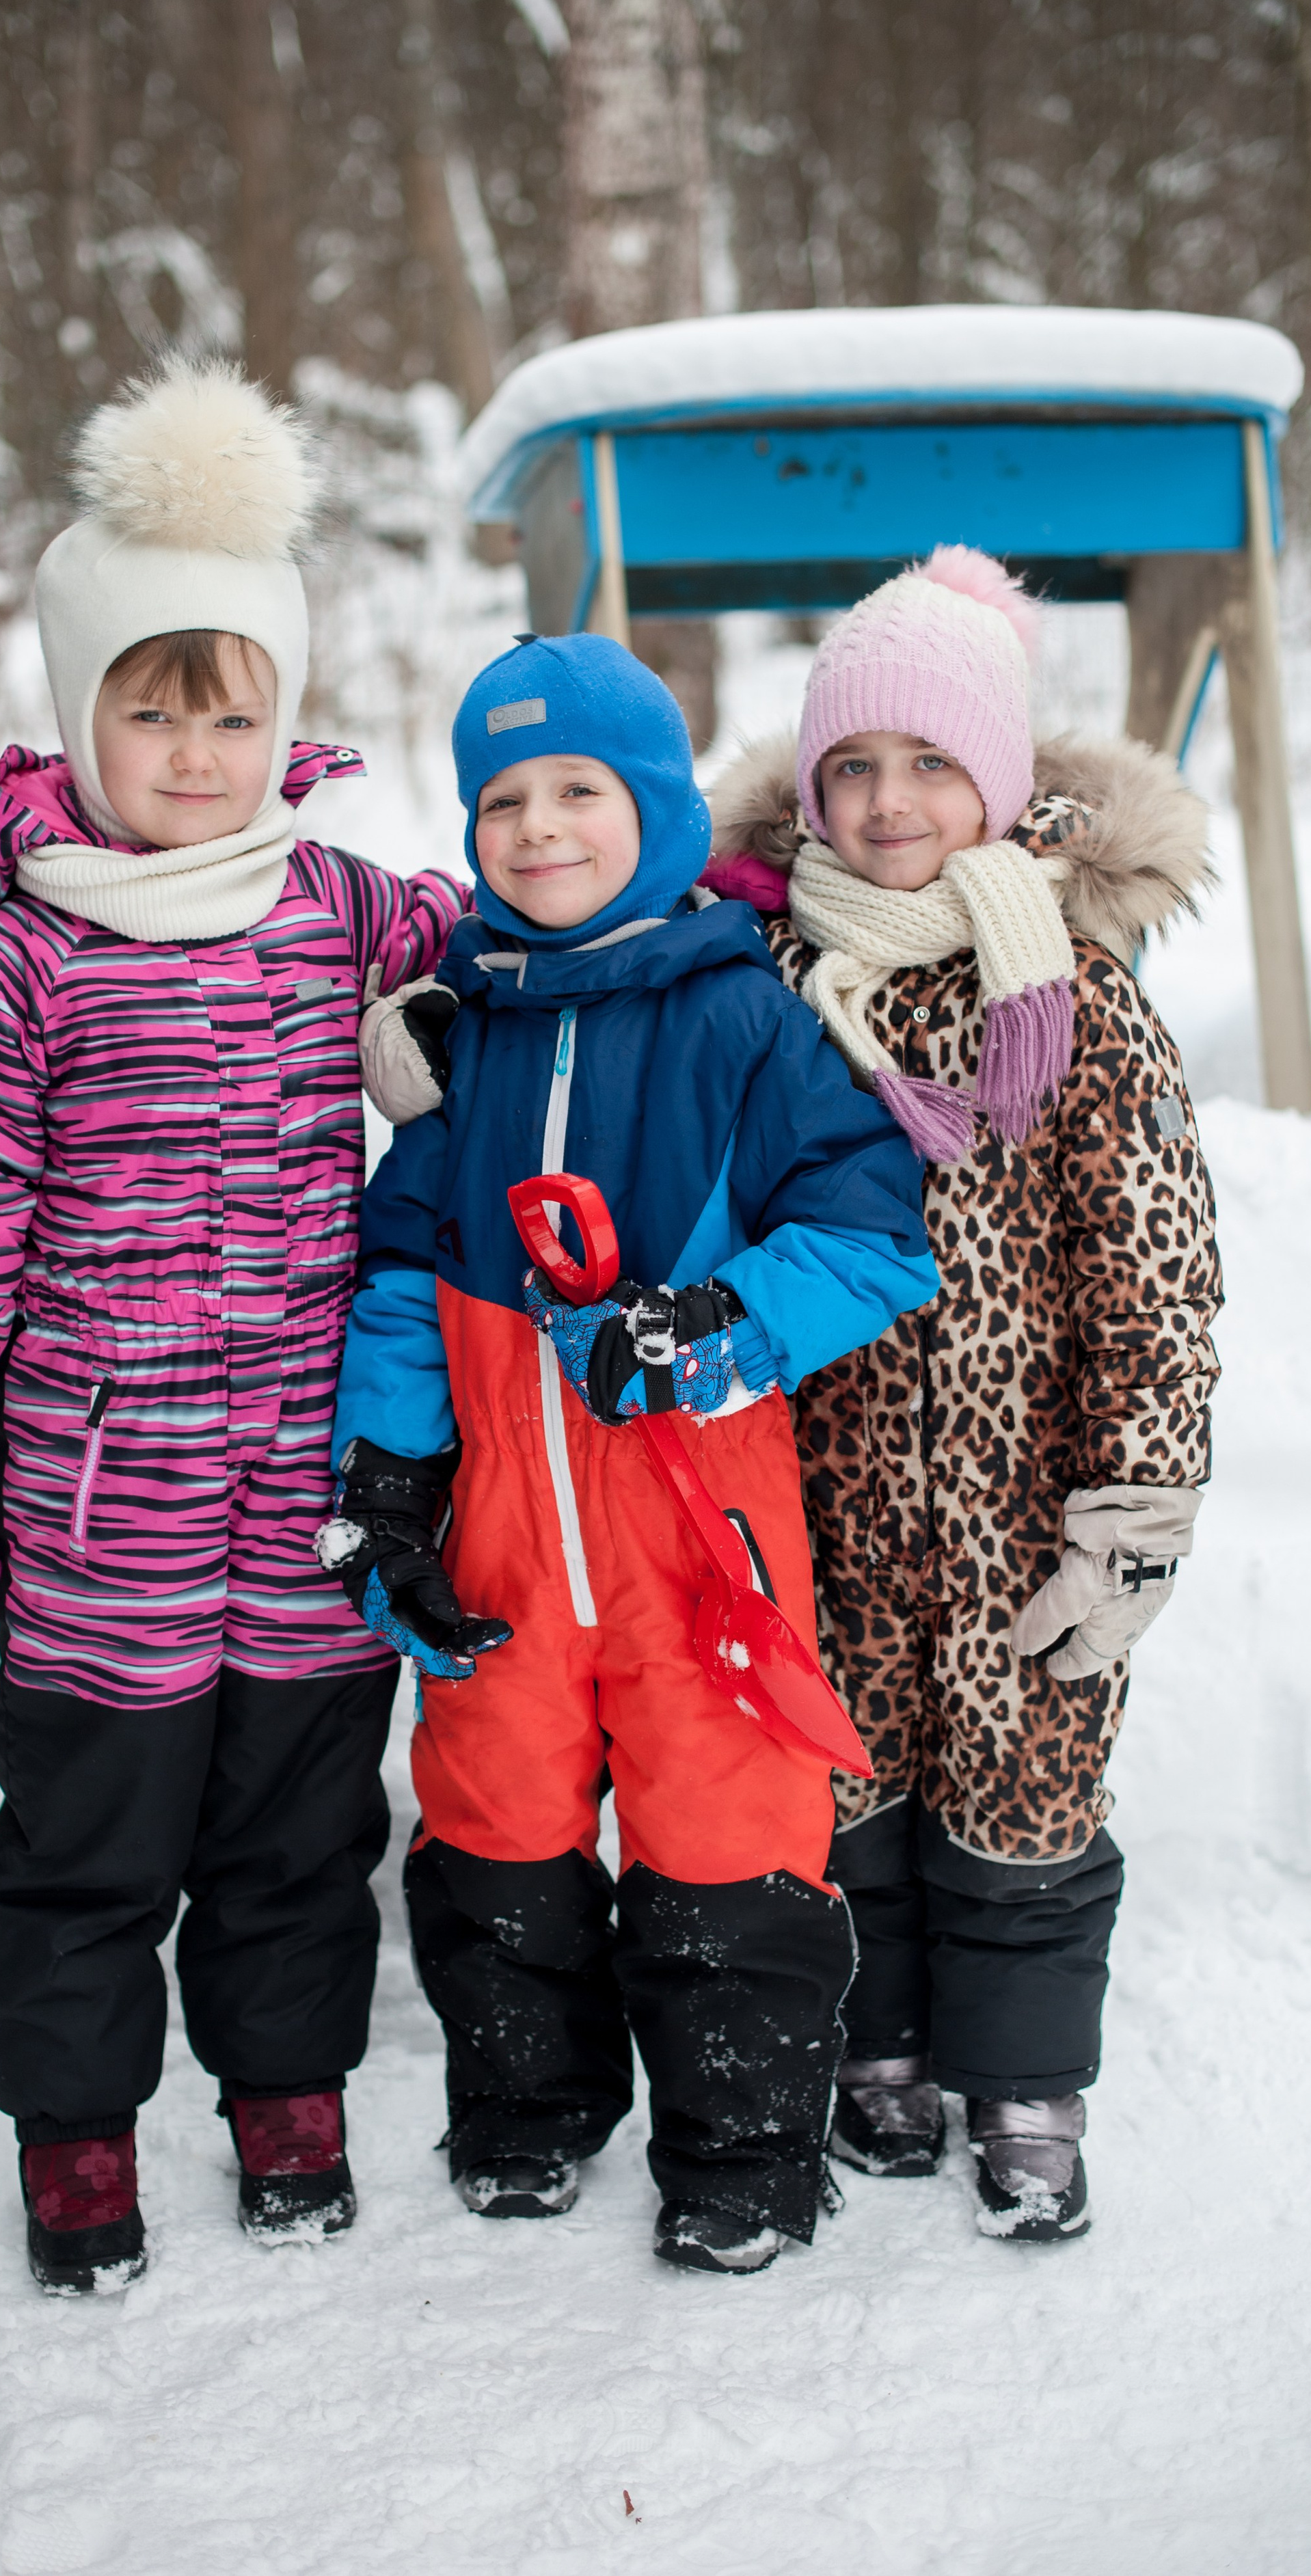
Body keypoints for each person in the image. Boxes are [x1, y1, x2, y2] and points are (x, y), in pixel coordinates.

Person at [0, 359, 465, 2294]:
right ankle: (79, 2138)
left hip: (302, 1488)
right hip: (107, 1507)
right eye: (153, 705)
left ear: (286, 720)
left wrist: (709, 901)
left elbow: (529, 946)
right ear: (80, 714)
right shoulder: (22, 959)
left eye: (235, 708)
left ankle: (287, 2094)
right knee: (88, 1843)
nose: (196, 751)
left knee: (296, 1825)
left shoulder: (341, 909)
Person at [321, 633, 938, 2275]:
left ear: (653, 807)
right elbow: (400, 1278)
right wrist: (386, 1483)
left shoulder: (745, 1021)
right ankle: (529, 2109)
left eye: (577, 790)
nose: (536, 828)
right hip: (507, 1536)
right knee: (492, 1828)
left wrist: (708, 1324)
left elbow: (875, 1240)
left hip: (695, 1532)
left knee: (726, 1834)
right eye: (502, 799)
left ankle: (739, 2151)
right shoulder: (463, 1034)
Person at [701, 546, 1223, 2240]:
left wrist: (1135, 1499)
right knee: (840, 1791)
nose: (887, 798)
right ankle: (884, 2050)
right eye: (850, 765)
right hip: (826, 1497)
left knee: (1025, 1803)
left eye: (929, 763)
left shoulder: (1067, 994)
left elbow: (1148, 1260)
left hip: (1027, 1505)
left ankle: (1025, 2084)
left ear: (994, 782)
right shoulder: (769, 981)